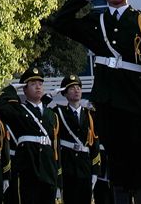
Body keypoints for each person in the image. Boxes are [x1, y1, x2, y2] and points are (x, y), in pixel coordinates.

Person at [46, 0, 141, 204]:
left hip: (135, 98)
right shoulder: (95, 20)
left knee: (138, 162)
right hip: (107, 99)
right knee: (116, 164)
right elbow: (60, 22)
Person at [0, 66, 59, 204]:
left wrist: (58, 175)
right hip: (27, 164)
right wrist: (12, 88)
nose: (38, 87)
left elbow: (55, 146)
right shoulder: (19, 110)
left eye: (40, 84)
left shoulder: (51, 114)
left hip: (47, 166)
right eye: (33, 84)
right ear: (24, 89)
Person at [52, 75, 98, 204]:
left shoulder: (89, 114)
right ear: (65, 93)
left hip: (85, 166)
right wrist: (49, 96)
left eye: (78, 87)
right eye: (72, 88)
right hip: (68, 165)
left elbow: (94, 143)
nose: (76, 90)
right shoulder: (58, 113)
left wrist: (95, 171)